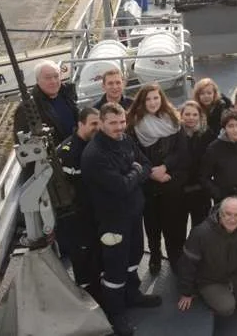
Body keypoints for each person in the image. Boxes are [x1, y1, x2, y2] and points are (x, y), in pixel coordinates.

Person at [80, 103, 161, 336]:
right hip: (112, 221)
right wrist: (136, 172)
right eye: (113, 123)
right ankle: (116, 314)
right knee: (115, 270)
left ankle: (133, 295)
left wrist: (134, 172)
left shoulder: (125, 140)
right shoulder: (95, 155)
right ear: (102, 123)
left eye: (122, 122)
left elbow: (145, 163)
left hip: (133, 215)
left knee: (134, 257)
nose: (119, 127)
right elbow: (121, 186)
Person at [177, 196, 237, 318]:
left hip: (235, 271)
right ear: (220, 213)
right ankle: (211, 294)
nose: (232, 219)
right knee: (227, 308)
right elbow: (188, 263)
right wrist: (187, 292)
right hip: (210, 280)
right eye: (227, 214)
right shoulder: (201, 232)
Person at [127, 84, 190, 274]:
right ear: (141, 102)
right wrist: (152, 172)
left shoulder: (173, 120)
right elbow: (133, 153)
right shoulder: (134, 125)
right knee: (152, 224)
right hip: (148, 184)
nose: (153, 102)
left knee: (174, 222)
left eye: (156, 98)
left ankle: (175, 255)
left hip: (170, 181)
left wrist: (165, 166)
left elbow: (181, 150)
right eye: (148, 99)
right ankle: (155, 255)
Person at [57, 107, 101, 300]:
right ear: (80, 124)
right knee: (84, 260)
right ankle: (88, 295)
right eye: (93, 124)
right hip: (77, 217)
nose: (97, 128)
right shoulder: (69, 151)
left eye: (99, 123)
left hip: (94, 213)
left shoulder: (94, 144)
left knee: (97, 257)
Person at [13, 60, 79, 147]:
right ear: (38, 80)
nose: (53, 81)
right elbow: (23, 145)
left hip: (76, 146)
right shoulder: (27, 108)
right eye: (48, 78)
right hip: (58, 155)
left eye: (56, 76)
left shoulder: (67, 93)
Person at [179, 101, 212, 229]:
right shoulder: (175, 134)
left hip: (201, 190)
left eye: (194, 114)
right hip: (180, 190)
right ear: (181, 115)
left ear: (200, 116)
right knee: (178, 227)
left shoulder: (207, 134)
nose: (191, 118)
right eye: (187, 114)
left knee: (201, 228)